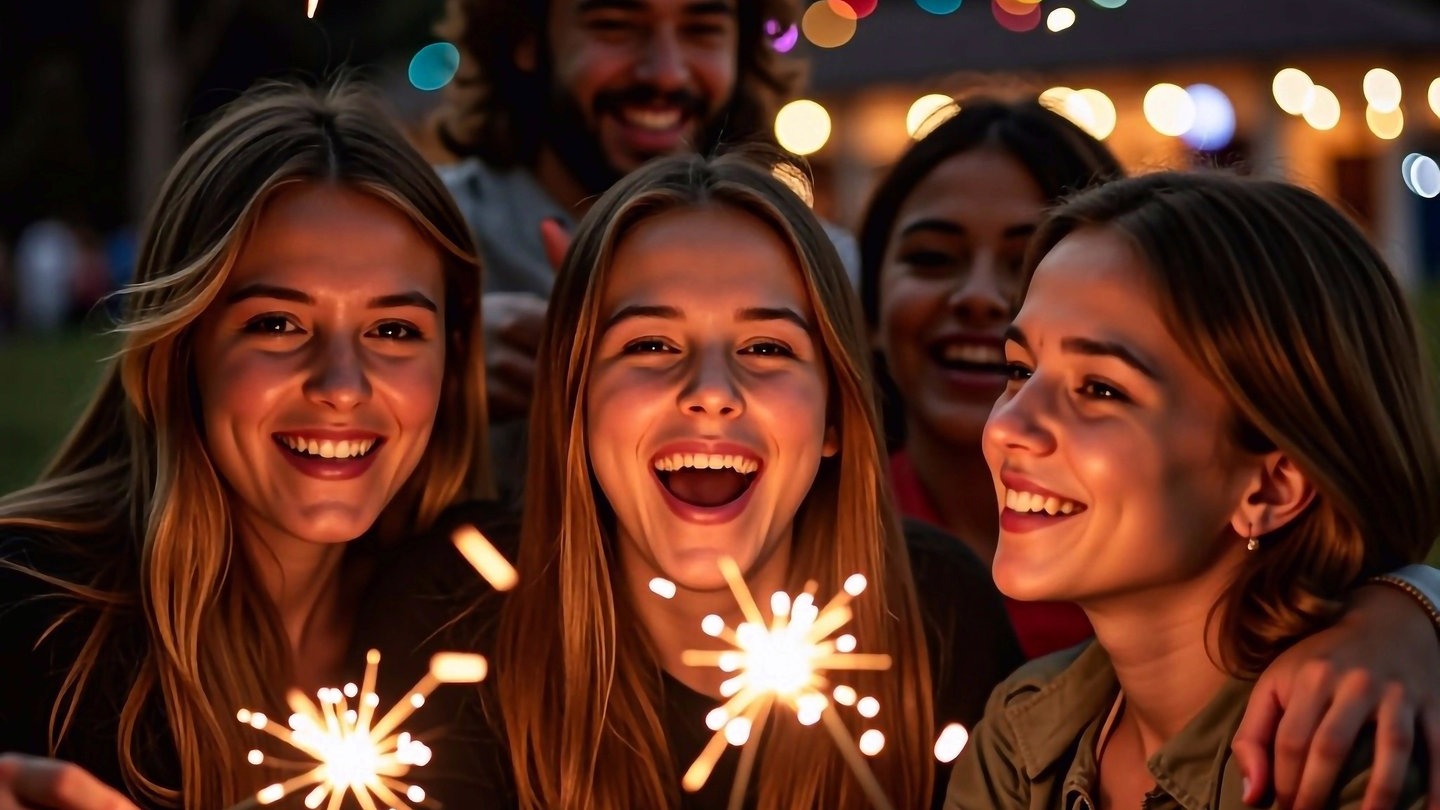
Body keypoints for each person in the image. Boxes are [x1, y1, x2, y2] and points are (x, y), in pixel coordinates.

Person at [362, 149, 1023, 809]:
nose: (711, 393)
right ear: (575, 401)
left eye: (766, 349)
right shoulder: (450, 614)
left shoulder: (937, 608)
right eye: (651, 345)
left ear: (835, 416)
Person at [861, 96, 1440, 810]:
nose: (1010, 425)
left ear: (1271, 486)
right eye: (1020, 371)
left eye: (1099, 389)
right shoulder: (1020, 735)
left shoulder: (1360, 765)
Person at [0, 81, 491, 809]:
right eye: (277, 324)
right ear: (180, 347)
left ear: (451, 365)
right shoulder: (28, 619)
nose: (342, 385)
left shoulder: (484, 624)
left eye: (393, 332)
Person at [433, 0, 858, 497]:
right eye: (615, 25)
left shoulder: (825, 266)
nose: (665, 72)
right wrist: (432, 364)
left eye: (702, 29)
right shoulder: (425, 242)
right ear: (524, 39)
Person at [859, 96, 1122, 659]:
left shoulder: (1193, 550)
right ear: (870, 309)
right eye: (932, 257)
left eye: (1030, 264)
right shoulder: (810, 536)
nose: (979, 297)